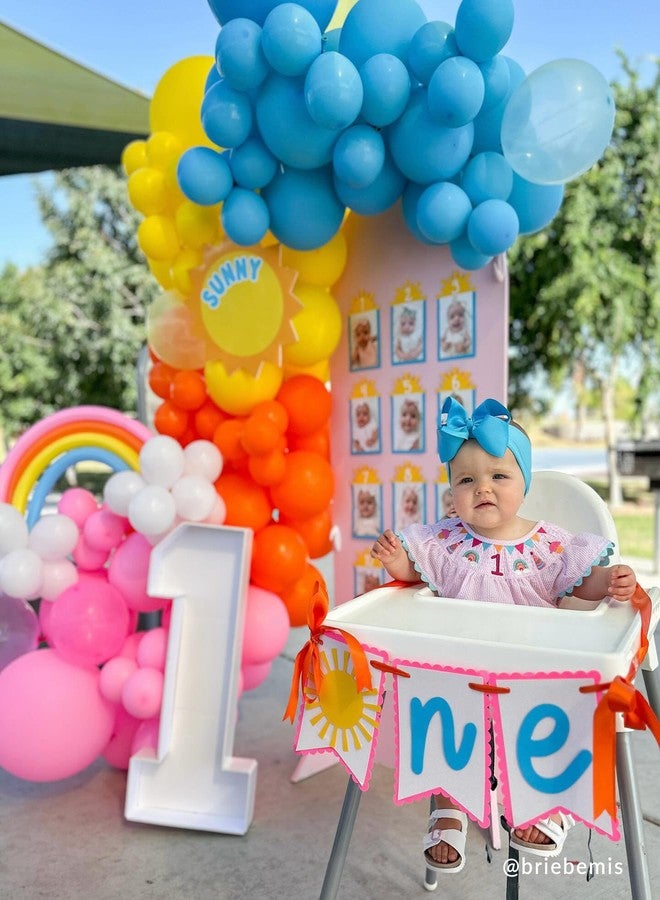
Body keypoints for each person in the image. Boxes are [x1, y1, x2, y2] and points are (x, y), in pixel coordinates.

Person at [371, 397, 638, 874]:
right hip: (461, 671)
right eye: (466, 480)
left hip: (529, 673)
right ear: (452, 492)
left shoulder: (548, 543)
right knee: (443, 710)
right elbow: (416, 574)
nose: (482, 489)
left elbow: (582, 579)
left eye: (498, 477)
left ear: (524, 483)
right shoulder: (446, 540)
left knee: (554, 713)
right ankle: (449, 801)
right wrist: (397, 562)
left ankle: (544, 801)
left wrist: (610, 580)